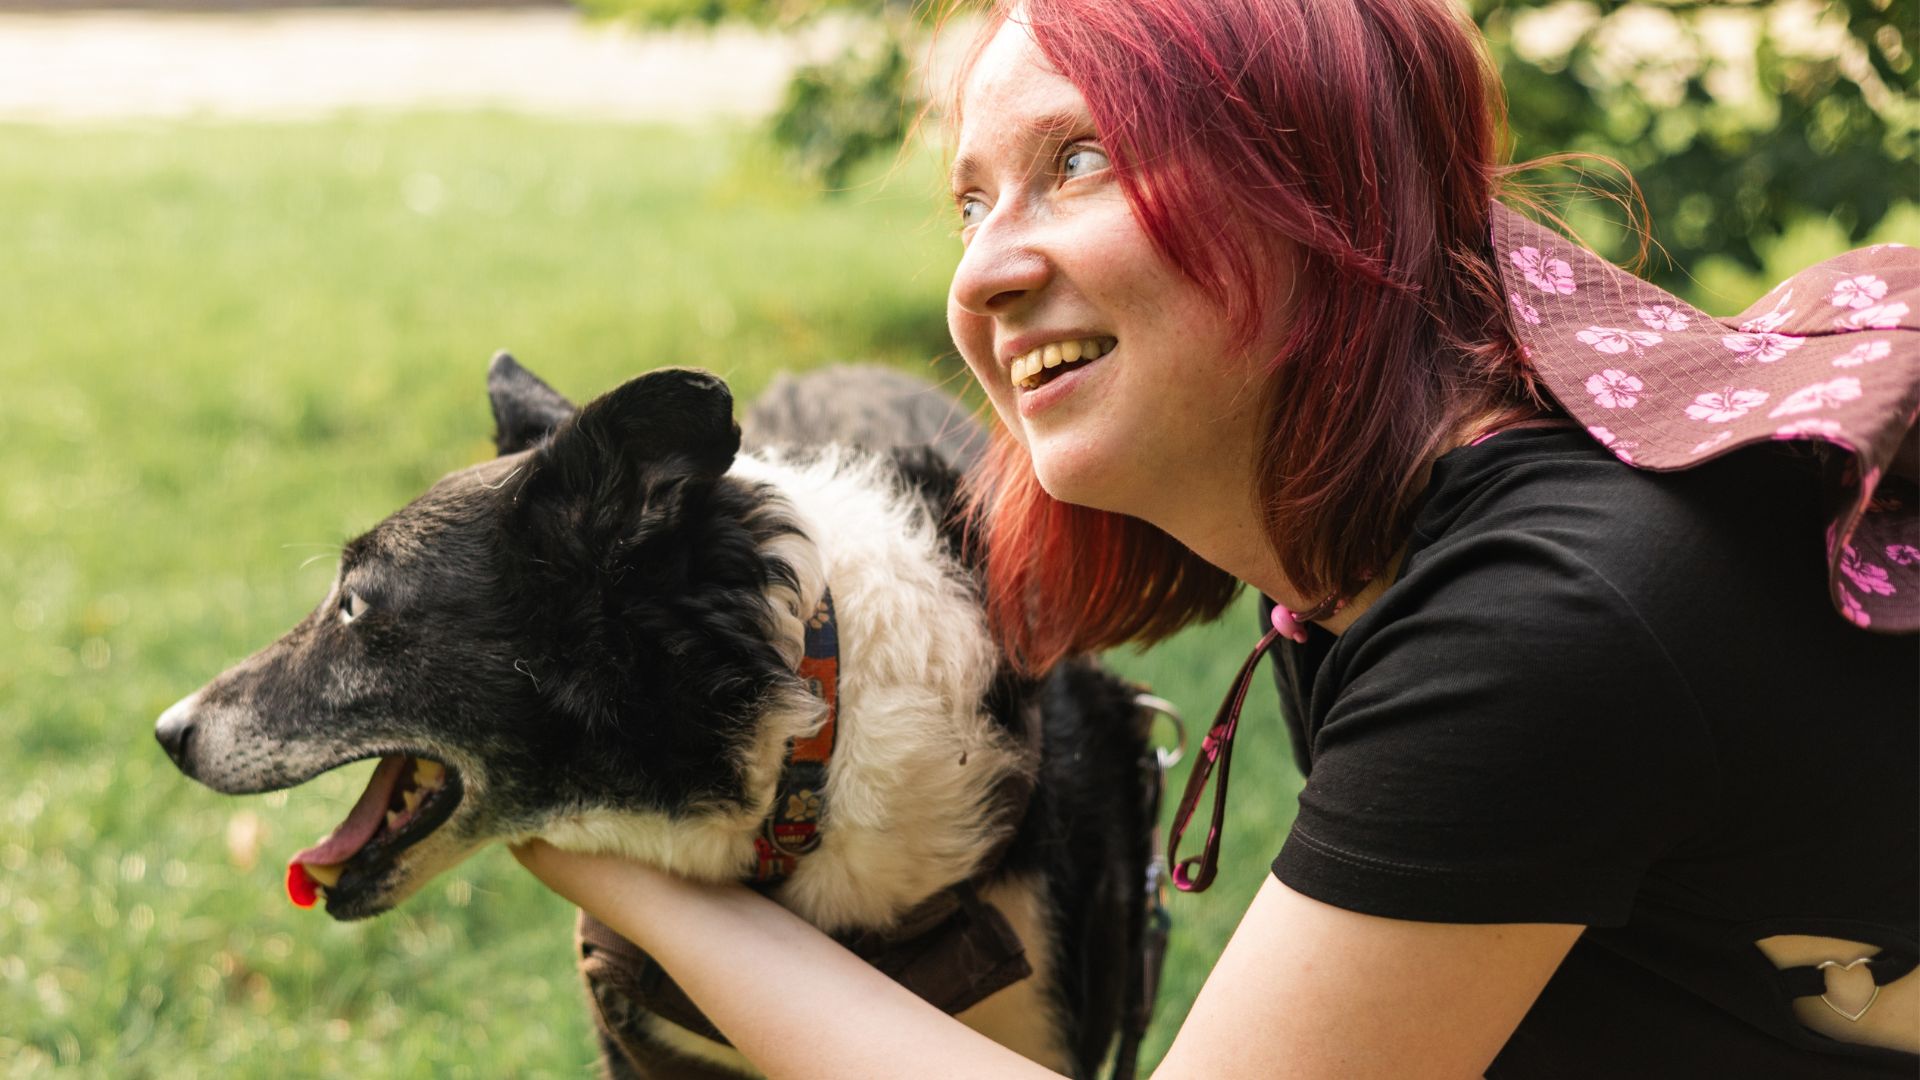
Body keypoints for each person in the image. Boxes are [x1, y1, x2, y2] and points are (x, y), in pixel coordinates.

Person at [513, 1, 1920, 1075]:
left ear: (1319, 189)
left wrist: (635, 878)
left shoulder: (1550, 618)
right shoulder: (1380, 560)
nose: (984, 271)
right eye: (969, 199)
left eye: (1080, 160)